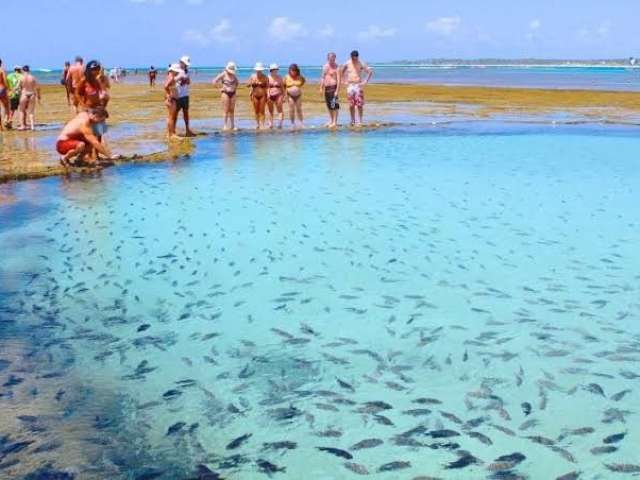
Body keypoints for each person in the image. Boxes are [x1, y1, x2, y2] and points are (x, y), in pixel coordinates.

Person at [340, 50, 373, 127]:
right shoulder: (347, 63)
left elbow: (370, 71)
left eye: (355, 58)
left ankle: (360, 121)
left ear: (357, 57)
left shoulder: (361, 63)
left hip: (358, 85)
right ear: (351, 57)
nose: (354, 59)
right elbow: (341, 71)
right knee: (351, 104)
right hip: (350, 85)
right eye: (353, 58)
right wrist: (343, 80)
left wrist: (365, 81)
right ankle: (352, 120)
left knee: (359, 104)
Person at [213, 61, 239, 131]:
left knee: (232, 110)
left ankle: (233, 125)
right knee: (226, 110)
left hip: (233, 93)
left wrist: (234, 88)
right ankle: (225, 125)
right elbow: (214, 81)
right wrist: (220, 89)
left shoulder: (234, 75)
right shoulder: (223, 74)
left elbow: (237, 82)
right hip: (225, 93)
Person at [175, 55, 195, 136]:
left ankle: (187, 130)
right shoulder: (175, 70)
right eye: (184, 63)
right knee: (174, 114)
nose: (186, 65)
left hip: (185, 95)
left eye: (187, 64)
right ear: (181, 62)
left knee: (186, 113)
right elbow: (171, 81)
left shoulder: (187, 71)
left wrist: (186, 80)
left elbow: (189, 82)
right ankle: (172, 131)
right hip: (177, 96)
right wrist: (179, 78)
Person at [320, 52, 340, 128]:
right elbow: (322, 77)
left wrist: (337, 90)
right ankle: (331, 120)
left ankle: (335, 122)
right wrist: (321, 88)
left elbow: (339, 80)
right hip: (327, 88)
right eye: (330, 58)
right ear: (327, 58)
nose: (331, 60)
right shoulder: (325, 66)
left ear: (335, 58)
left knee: (334, 105)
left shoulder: (337, 67)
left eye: (333, 58)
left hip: (333, 87)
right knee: (329, 105)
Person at [18, 66, 41, 131]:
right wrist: (39, 96)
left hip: (24, 94)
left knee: (21, 110)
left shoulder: (21, 78)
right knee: (31, 112)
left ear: (23, 70)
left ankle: (22, 126)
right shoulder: (32, 77)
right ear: (29, 70)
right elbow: (38, 88)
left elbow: (18, 87)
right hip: (32, 94)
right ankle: (32, 126)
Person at [284, 64, 306, 129]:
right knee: (291, 109)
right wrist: (285, 95)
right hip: (290, 95)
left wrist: (297, 87)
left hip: (298, 95)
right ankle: (292, 123)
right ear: (289, 70)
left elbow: (303, 81)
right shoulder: (286, 77)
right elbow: (284, 86)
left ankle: (301, 123)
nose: (293, 72)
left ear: (297, 71)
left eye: (294, 70)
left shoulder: (300, 77)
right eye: (292, 70)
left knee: (299, 109)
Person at [247, 62, 268, 129]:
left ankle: (262, 124)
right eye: (257, 70)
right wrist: (251, 83)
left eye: (260, 70)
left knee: (262, 111)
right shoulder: (252, 76)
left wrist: (268, 94)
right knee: (256, 111)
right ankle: (257, 124)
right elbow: (247, 85)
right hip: (255, 95)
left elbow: (268, 87)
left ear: (261, 70)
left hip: (263, 95)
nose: (258, 71)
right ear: (256, 70)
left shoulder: (265, 77)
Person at [164, 64, 181, 137]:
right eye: (177, 71)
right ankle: (172, 134)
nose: (178, 73)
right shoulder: (171, 77)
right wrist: (169, 94)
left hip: (171, 99)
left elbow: (166, 86)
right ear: (174, 70)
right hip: (172, 99)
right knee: (171, 117)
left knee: (169, 117)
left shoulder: (169, 76)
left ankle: (169, 133)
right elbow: (165, 86)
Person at [266, 64, 285, 129]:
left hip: (279, 95)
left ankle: (279, 124)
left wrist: (284, 96)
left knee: (280, 110)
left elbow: (282, 87)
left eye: (276, 70)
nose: (275, 71)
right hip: (270, 95)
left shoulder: (280, 77)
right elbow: (267, 87)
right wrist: (268, 94)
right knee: (270, 111)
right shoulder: (268, 77)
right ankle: (270, 124)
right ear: (271, 70)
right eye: (274, 70)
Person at [0, 59, 9, 130]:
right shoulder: (2, 70)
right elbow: (5, 80)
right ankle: (6, 120)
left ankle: (1, 126)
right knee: (6, 106)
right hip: (1, 88)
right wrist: (8, 88)